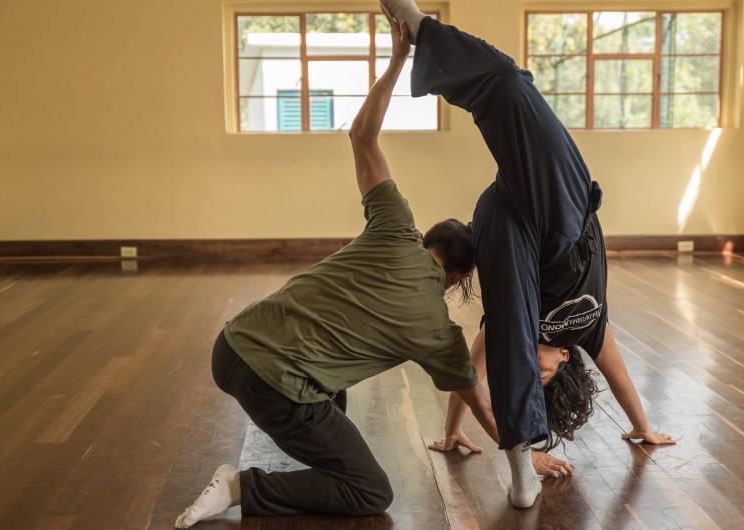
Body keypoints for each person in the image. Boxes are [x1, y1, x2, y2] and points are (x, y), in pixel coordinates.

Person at [174, 9, 500, 527]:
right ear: (459, 278)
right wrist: (523, 454)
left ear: (424, 239)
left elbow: (362, 136)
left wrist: (397, 61)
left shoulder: (394, 225)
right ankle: (240, 486)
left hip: (231, 346)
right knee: (370, 491)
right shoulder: (437, 333)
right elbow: (479, 401)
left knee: (333, 389)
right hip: (271, 383)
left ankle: (316, 454)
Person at [379, 0, 674, 508]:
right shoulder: (589, 333)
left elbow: (465, 372)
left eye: (530, 376)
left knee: (509, 319)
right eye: (545, 373)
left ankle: (520, 453)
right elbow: (621, 379)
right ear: (565, 358)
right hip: (565, 220)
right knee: (511, 87)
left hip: (508, 232)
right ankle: (422, 29)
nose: (536, 367)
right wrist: (642, 428)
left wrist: (452, 432)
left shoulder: (510, 331)